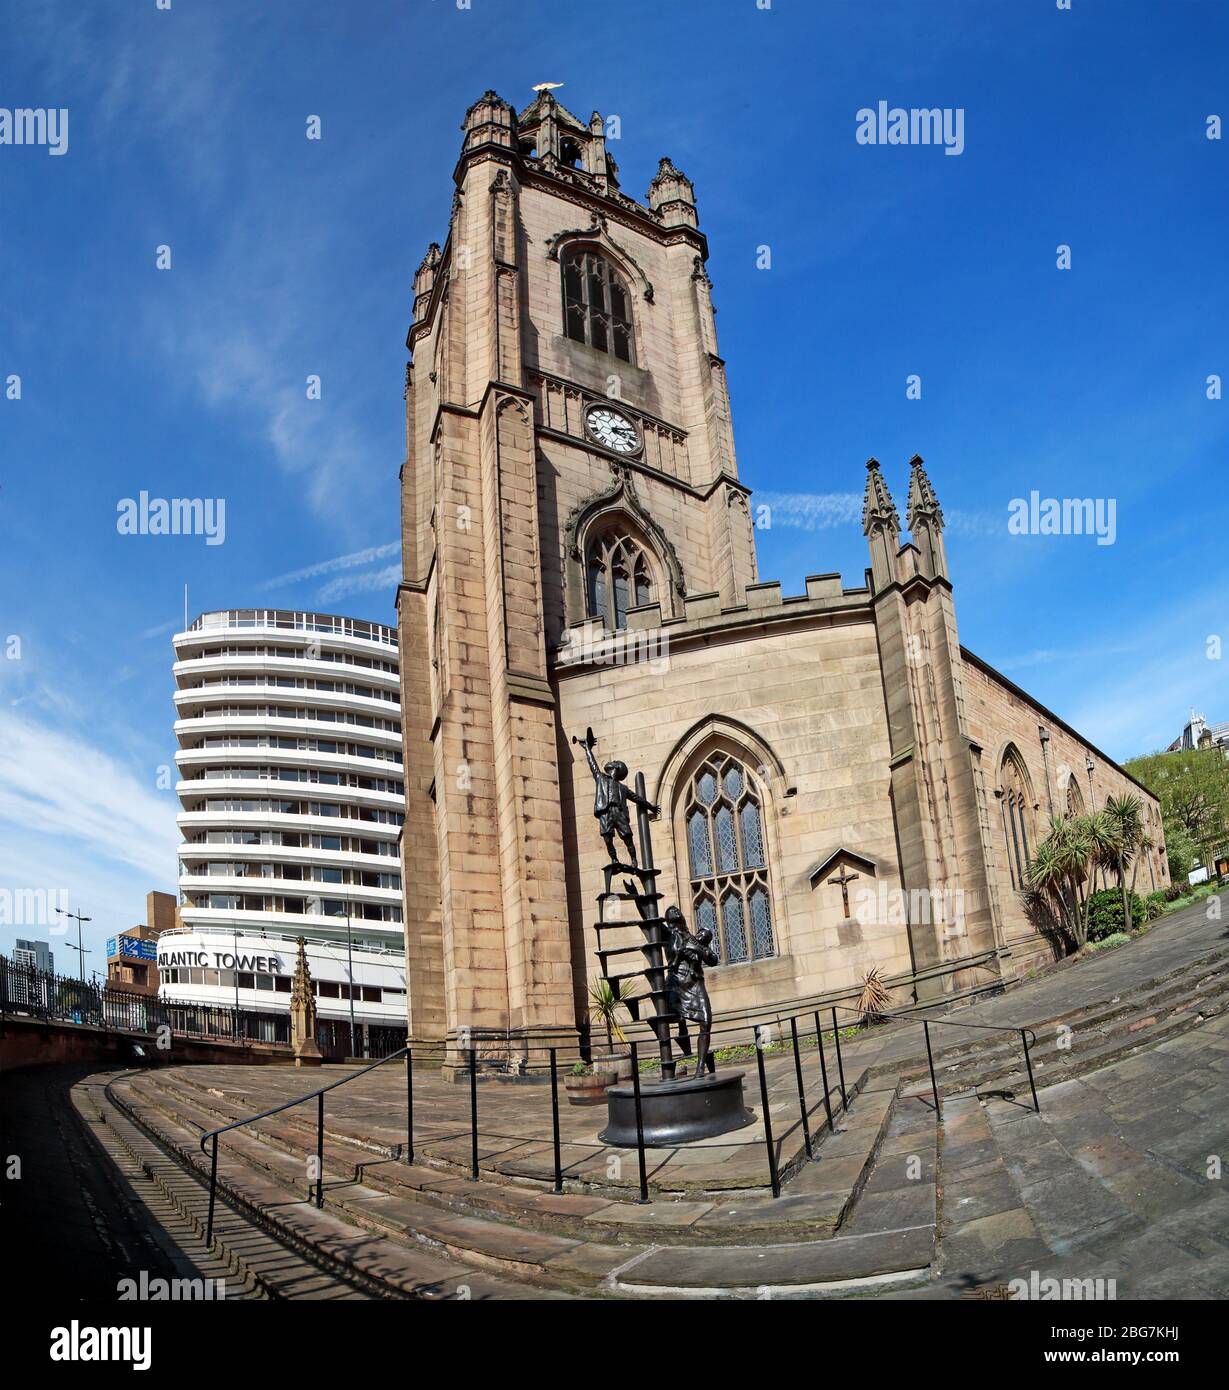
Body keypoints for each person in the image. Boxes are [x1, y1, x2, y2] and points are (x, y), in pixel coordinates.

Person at [573, 726, 658, 867]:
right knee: (607, 838)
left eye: (613, 763)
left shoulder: (622, 788)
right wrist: (587, 749)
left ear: (616, 768)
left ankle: (634, 860)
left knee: (627, 837)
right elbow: (592, 765)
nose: (610, 763)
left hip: (618, 812)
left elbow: (637, 798)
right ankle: (614, 859)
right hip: (605, 811)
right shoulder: (601, 779)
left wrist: (651, 807)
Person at [663, 905, 719, 1078]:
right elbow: (649, 922)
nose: (675, 910)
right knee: (670, 1017)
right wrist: (637, 898)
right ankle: (681, 1041)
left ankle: (700, 1067)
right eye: (671, 911)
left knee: (706, 1020)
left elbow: (713, 960)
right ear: (668, 919)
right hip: (677, 983)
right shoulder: (668, 935)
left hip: (696, 984)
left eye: (677, 910)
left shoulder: (694, 940)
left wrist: (696, 948)